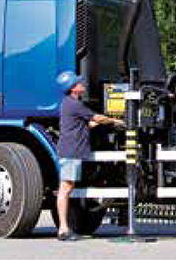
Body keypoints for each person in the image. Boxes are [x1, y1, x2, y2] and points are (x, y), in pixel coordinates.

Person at [55, 71, 124, 241]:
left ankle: (64, 228)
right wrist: (116, 121)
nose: (82, 84)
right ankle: (63, 229)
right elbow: (97, 118)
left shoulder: (69, 104)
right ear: (73, 88)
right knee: (65, 188)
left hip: (72, 151)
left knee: (67, 188)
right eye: (79, 83)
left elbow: (85, 124)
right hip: (71, 152)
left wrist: (96, 123)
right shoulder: (74, 104)